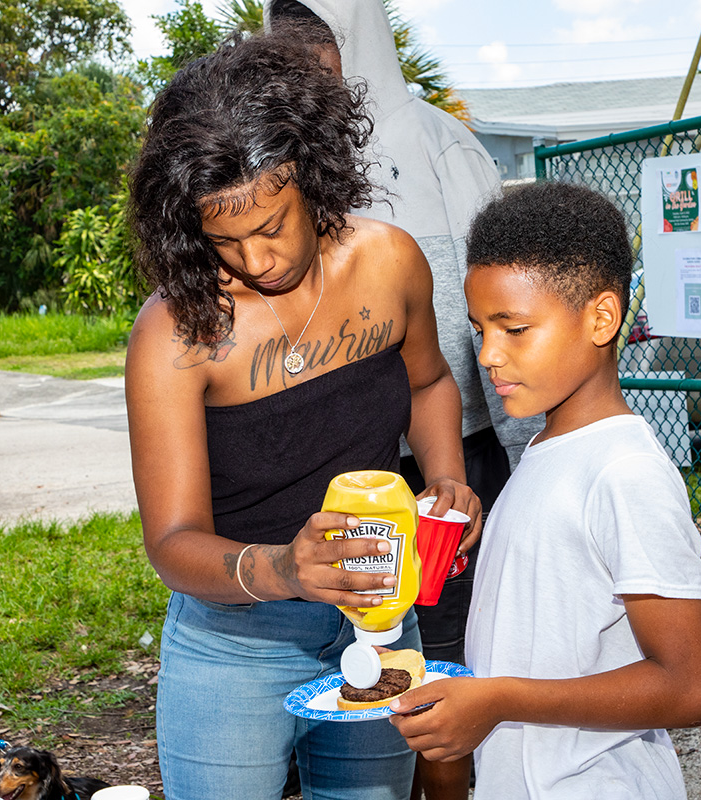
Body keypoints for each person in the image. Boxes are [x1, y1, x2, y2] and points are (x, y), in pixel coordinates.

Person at [124, 30, 480, 800]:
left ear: (315, 178)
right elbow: (173, 542)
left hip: (382, 625)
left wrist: (447, 477)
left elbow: (427, 384)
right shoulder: (176, 331)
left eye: (271, 226)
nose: (254, 261)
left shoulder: (389, 262)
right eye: (224, 240)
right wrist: (282, 567)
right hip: (234, 647)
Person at [263, 3, 544, 796]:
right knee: (353, 667)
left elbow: (496, 307)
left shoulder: (438, 144)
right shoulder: (271, 160)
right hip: (341, 468)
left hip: (447, 457)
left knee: (440, 667)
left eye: (320, 55)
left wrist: (521, 456)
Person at [389, 182, 701, 799]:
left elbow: (693, 688)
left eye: (514, 329)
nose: (488, 354)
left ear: (601, 318)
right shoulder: (547, 447)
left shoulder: (626, 473)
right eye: (479, 328)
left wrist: (498, 700)